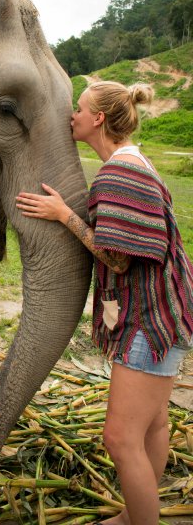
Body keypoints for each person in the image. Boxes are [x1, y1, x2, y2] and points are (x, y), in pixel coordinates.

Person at [16, 80, 193, 525]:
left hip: (150, 324)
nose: (71, 116)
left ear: (98, 119)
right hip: (167, 314)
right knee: (152, 426)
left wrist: (64, 216)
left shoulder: (119, 172)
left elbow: (116, 257)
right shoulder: (131, 162)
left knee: (119, 438)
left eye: (78, 108)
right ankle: (136, 516)